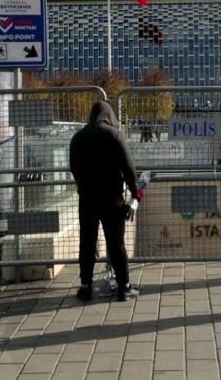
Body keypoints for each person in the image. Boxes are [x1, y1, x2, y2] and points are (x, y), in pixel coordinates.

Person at [69, 101, 142, 302]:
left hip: (87, 199)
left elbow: (74, 168)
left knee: (87, 242)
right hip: (112, 198)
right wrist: (135, 194)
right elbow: (128, 168)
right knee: (116, 243)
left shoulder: (78, 138)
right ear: (110, 115)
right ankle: (123, 287)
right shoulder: (115, 135)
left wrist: (83, 187)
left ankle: (85, 287)